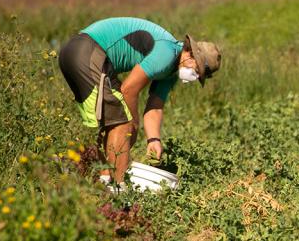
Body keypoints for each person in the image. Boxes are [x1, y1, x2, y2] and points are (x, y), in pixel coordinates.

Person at [57, 17, 221, 183]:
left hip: (80, 53)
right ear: (190, 54)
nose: (195, 76)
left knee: (115, 123)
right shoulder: (166, 53)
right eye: (197, 70)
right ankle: (116, 189)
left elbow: (155, 107)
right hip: (88, 51)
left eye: (199, 76)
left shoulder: (171, 70)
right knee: (124, 124)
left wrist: (153, 139)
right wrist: (133, 124)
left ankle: (98, 178)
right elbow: (128, 89)